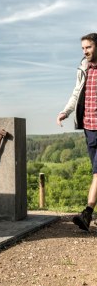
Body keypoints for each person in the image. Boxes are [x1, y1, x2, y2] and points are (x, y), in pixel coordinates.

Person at [57, 33, 97, 231]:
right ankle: (88, 215)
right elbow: (76, 93)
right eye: (83, 48)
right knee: (96, 172)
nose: (85, 51)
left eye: (88, 47)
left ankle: (87, 213)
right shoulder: (83, 68)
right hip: (89, 126)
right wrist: (66, 111)